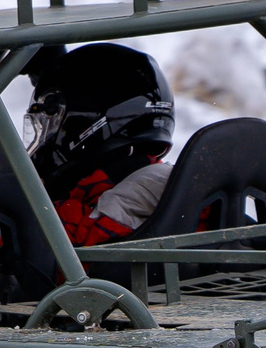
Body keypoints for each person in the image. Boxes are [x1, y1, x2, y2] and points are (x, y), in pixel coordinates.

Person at [23, 42, 176, 246]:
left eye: (51, 124)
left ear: (82, 124)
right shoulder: (177, 184)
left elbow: (47, 246)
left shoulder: (134, 195)